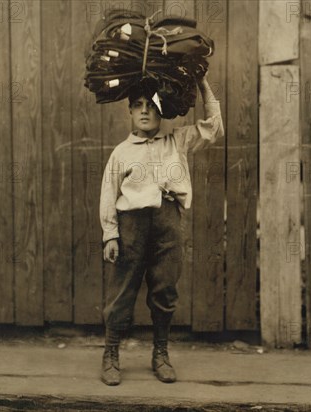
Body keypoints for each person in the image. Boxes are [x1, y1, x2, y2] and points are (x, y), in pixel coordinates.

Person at [99, 75, 224, 385]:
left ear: (162, 111)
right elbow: (108, 194)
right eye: (138, 106)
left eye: (151, 106)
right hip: (131, 226)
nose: (144, 112)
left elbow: (214, 128)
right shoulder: (121, 153)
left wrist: (202, 83)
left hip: (168, 222)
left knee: (165, 290)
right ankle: (111, 354)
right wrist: (110, 234)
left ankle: (161, 354)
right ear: (129, 111)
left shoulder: (177, 141)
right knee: (122, 292)